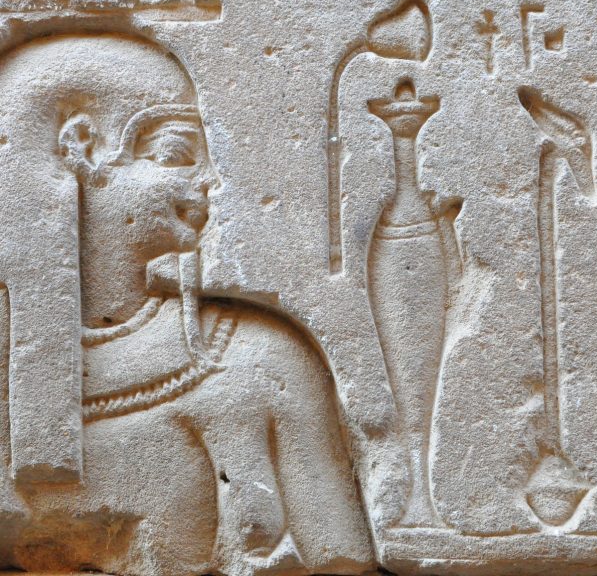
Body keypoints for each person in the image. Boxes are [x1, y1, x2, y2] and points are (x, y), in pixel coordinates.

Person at [0, 34, 372, 576]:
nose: (211, 183)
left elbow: (336, 556)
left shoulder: (259, 362)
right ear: (81, 148)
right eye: (176, 154)